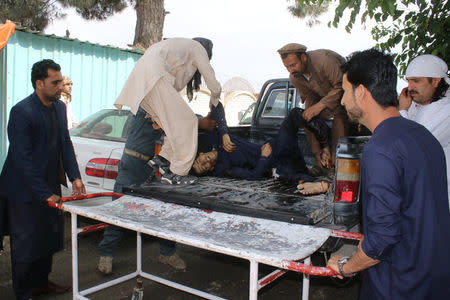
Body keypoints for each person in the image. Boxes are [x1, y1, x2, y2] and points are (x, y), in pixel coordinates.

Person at [326, 49, 450, 299]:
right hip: (434, 279)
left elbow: (382, 239)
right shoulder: (423, 136)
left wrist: (345, 266)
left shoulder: (380, 148)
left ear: (361, 92)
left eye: (345, 91)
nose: (341, 102)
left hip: (399, 284)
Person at [0, 59, 86, 299]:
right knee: (26, 244)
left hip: (48, 184)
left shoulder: (59, 108)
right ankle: (24, 292)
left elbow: (65, 144)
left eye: (61, 80)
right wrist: (43, 192)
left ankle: (41, 283)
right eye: (55, 82)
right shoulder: (21, 111)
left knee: (48, 238)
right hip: (23, 189)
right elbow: (21, 158)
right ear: (39, 83)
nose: (61, 86)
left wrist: (75, 176)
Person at [114, 37, 225, 185]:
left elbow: (173, 88)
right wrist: (215, 98)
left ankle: (163, 160)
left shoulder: (180, 48)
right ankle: (179, 173)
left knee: (172, 126)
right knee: (189, 121)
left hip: (143, 83)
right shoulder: (198, 48)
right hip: (155, 77)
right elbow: (210, 78)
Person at [97, 107, 186, 274]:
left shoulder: (163, 108)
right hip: (132, 165)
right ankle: (106, 254)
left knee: (162, 211)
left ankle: (167, 253)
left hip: (152, 168)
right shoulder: (144, 105)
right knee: (118, 213)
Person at [192, 105, 332, 195]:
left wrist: (223, 133)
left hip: (279, 147)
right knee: (291, 176)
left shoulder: (215, 139)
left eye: (199, 162)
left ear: (201, 154)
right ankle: (321, 184)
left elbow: (217, 106)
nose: (205, 164)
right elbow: (254, 175)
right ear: (209, 170)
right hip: (275, 164)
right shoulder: (224, 168)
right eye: (204, 168)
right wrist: (264, 157)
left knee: (295, 114)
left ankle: (325, 144)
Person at [278, 43, 349, 173]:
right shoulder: (295, 77)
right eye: (287, 67)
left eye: (293, 65)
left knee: (339, 117)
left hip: (345, 99)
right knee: (307, 114)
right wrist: (323, 145)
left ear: (304, 57)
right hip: (323, 101)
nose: (291, 70)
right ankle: (321, 161)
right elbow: (309, 97)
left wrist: (320, 106)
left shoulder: (325, 61)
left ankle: (335, 164)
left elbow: (342, 88)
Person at [398, 54, 450, 201]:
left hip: (441, 194)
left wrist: (402, 111)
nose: (410, 87)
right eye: (408, 81)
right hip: (418, 192)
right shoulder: (415, 104)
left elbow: (413, 147)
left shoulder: (447, 109)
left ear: (435, 81)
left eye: (416, 81)